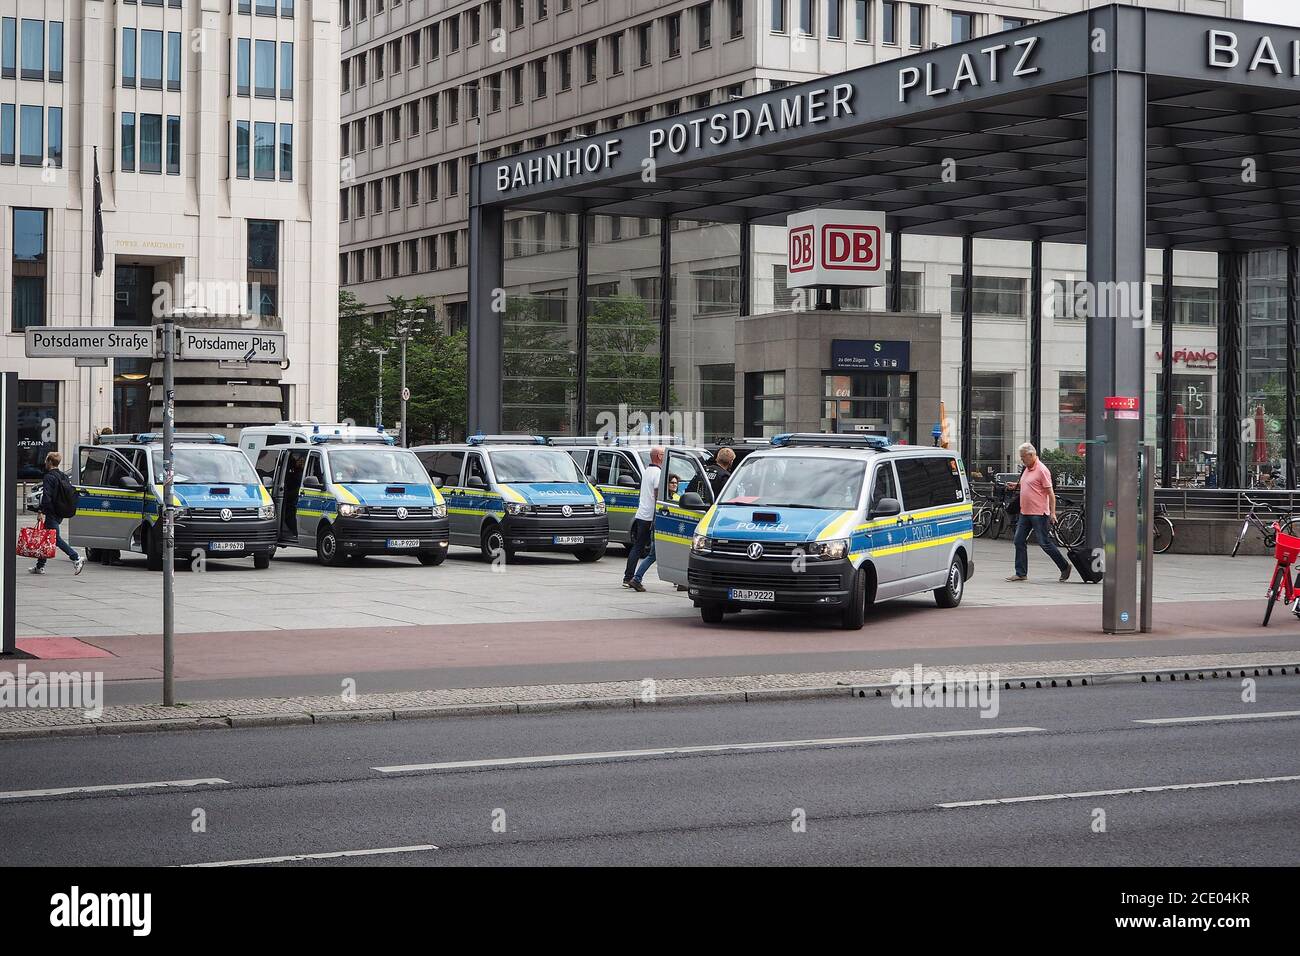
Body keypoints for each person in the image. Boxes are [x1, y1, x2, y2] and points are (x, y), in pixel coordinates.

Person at [1005, 442, 1070, 583]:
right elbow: (1030, 483)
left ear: (1031, 455)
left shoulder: (1042, 470)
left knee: (1044, 543)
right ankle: (1021, 573)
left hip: (1039, 513)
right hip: (1025, 512)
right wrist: (1016, 485)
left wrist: (1052, 513)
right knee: (1018, 540)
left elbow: (1050, 494)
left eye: (1023, 457)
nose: (1022, 460)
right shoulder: (1027, 469)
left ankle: (1064, 566)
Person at [31, 451, 84, 576]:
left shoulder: (49, 477)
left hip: (52, 512)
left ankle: (76, 558)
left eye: (46, 460)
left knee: (55, 539)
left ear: (49, 462)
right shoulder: (63, 476)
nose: (45, 462)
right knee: (47, 537)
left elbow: (47, 497)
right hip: (60, 511)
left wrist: (41, 512)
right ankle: (40, 566)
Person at [623, 446, 663, 592]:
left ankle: (628, 577)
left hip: (641, 513)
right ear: (658, 456)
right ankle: (635, 578)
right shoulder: (658, 473)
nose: (664, 457)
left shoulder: (647, 471)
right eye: (663, 454)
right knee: (653, 550)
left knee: (638, 547)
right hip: (650, 515)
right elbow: (657, 494)